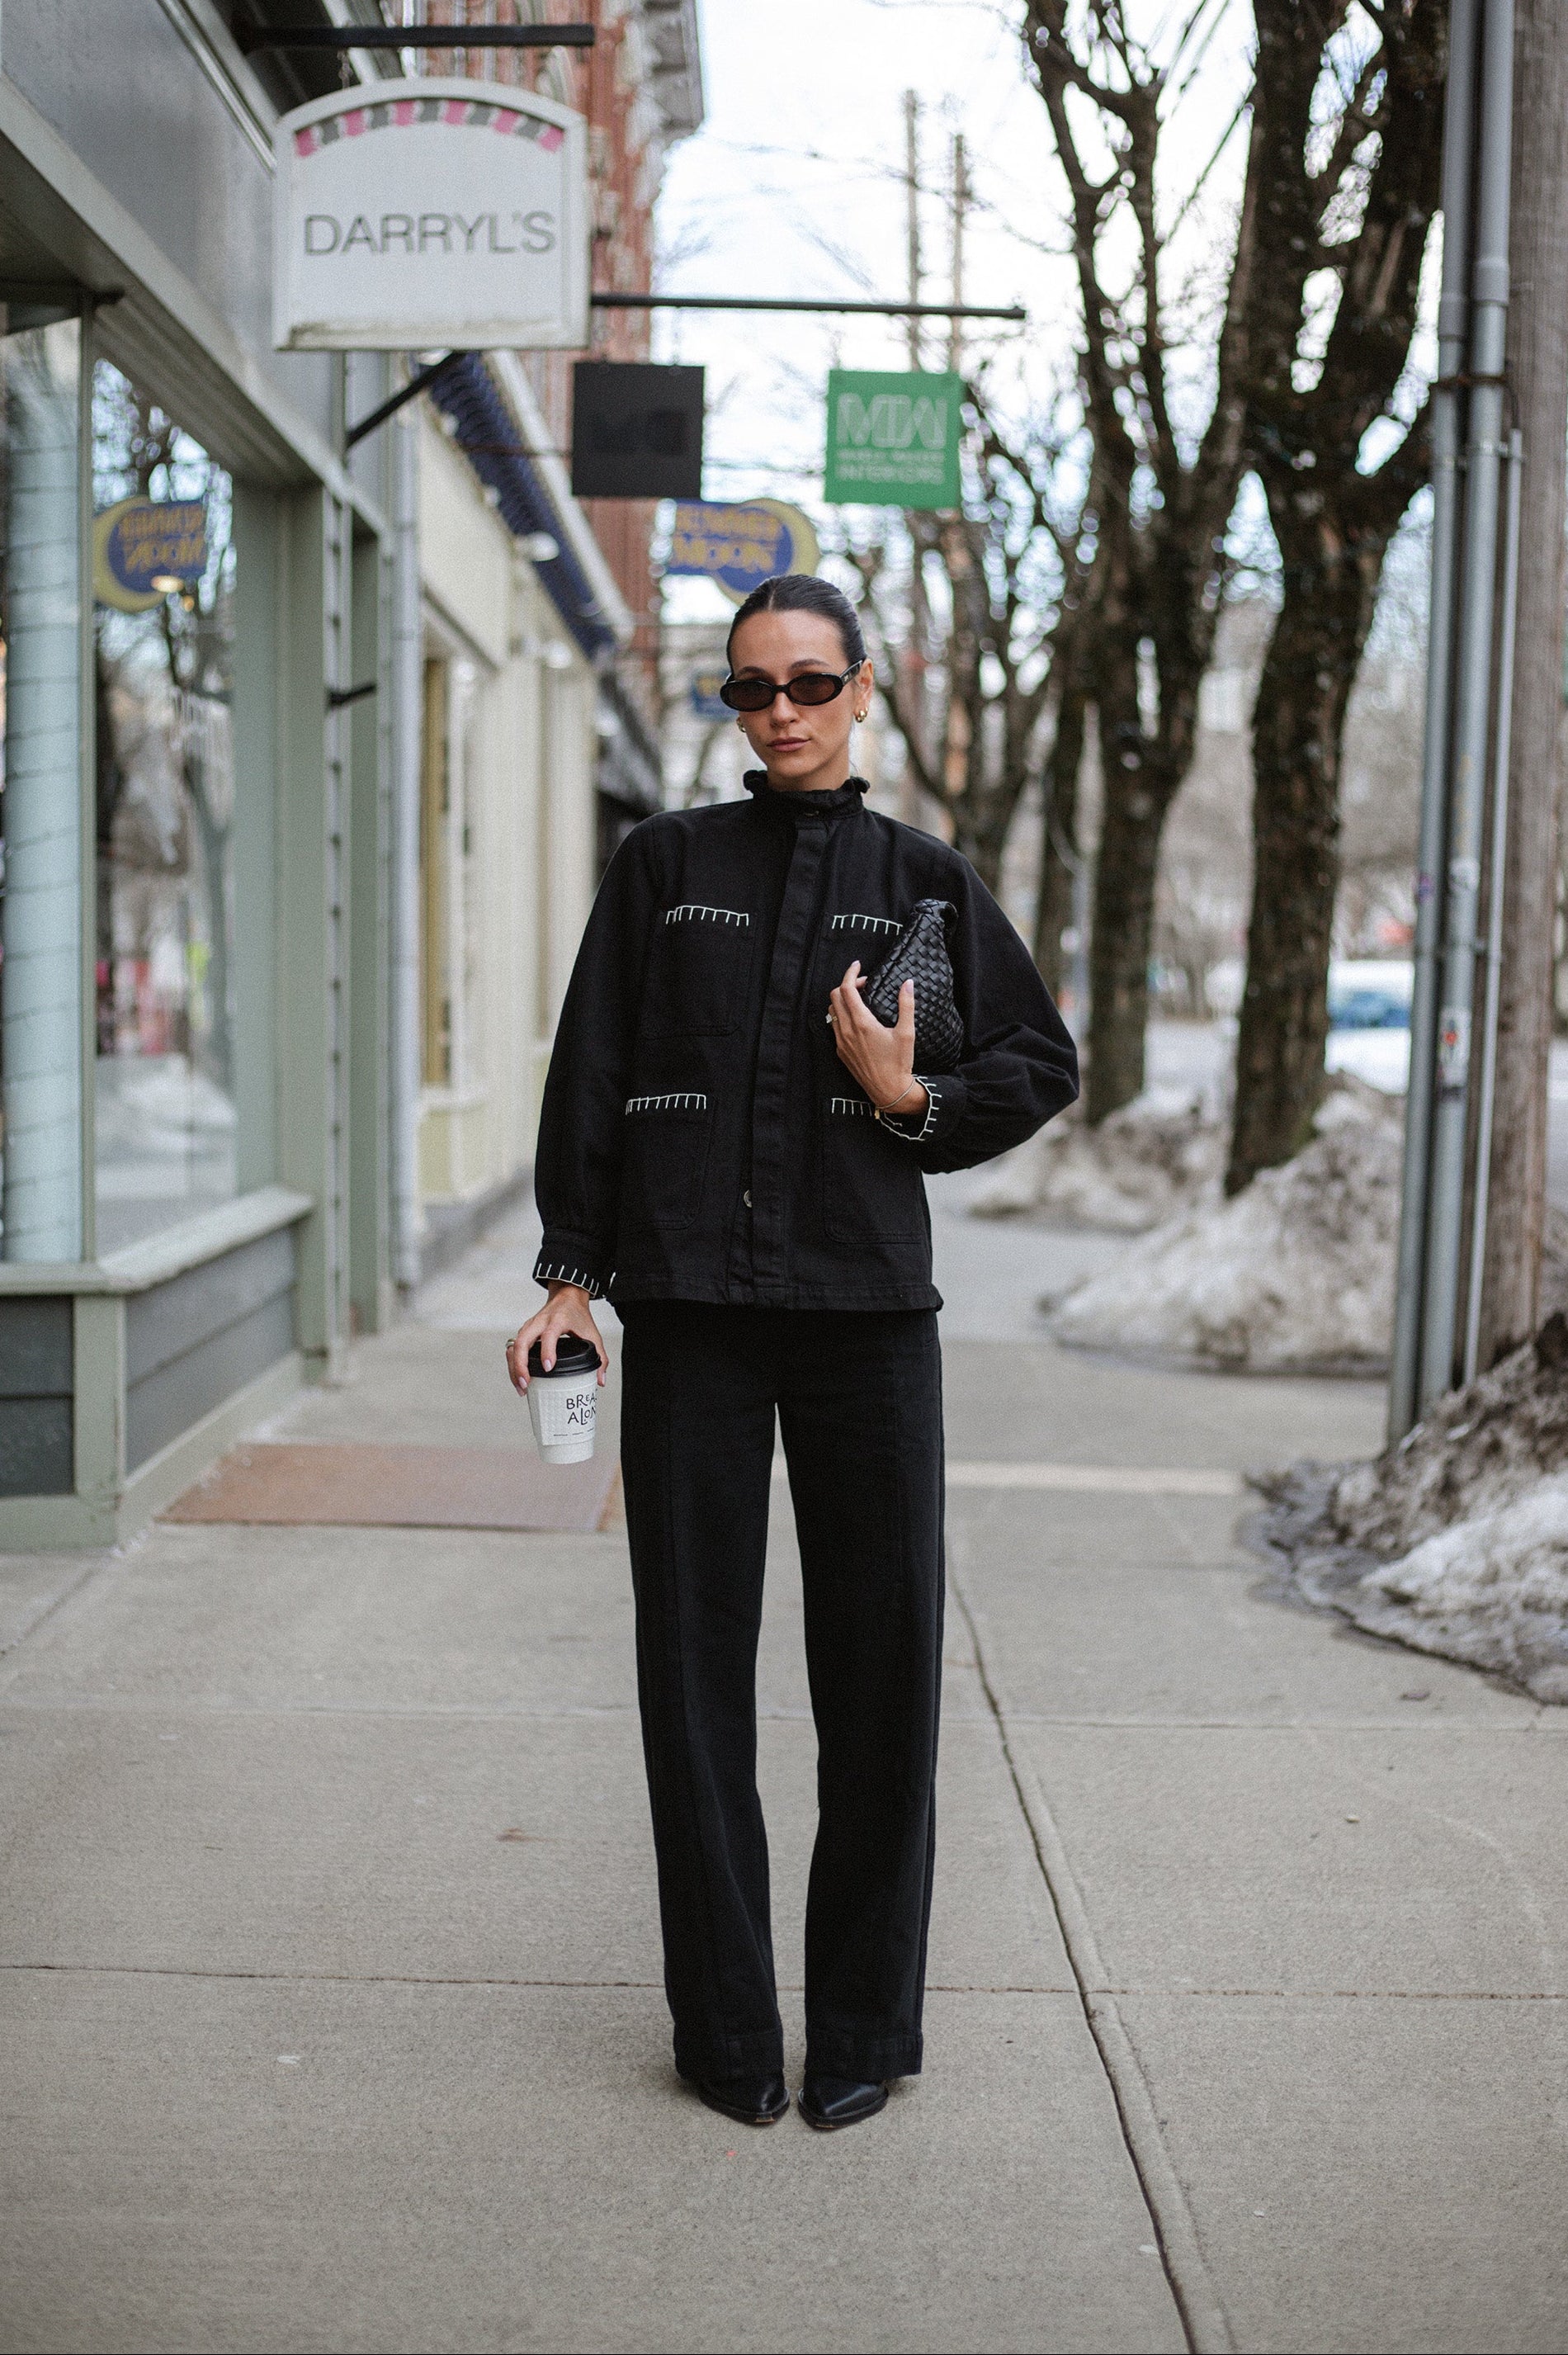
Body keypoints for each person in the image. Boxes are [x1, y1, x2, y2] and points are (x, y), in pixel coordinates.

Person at [508, 574, 1077, 2133]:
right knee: (691, 1681)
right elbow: (596, 1071)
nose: (780, 716)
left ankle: (862, 2032)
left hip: (868, 1331)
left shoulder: (923, 880)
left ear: (864, 689)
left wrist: (909, 1100)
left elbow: (1041, 1059)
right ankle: (727, 2034)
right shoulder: (667, 864)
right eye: (750, 692)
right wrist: (570, 1277)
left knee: (879, 1682)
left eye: (809, 686)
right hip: (690, 1318)